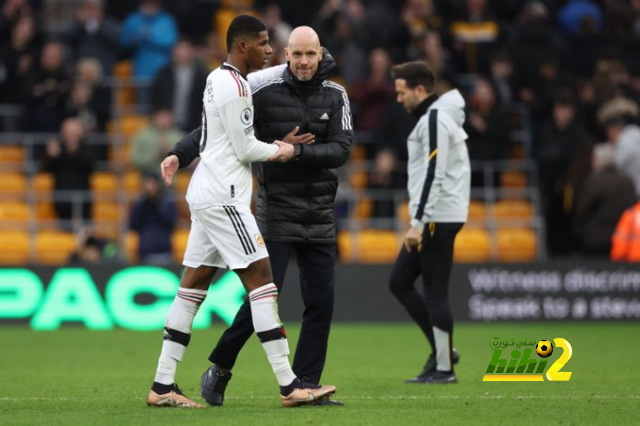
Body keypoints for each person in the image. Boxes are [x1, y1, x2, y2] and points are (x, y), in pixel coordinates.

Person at [146, 15, 336, 409]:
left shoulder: (217, 79)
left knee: (193, 286)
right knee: (264, 283)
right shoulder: (235, 86)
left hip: (206, 193)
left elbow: (218, 137)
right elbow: (247, 149)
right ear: (243, 45)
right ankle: (290, 386)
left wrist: (179, 155)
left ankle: (163, 385)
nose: (270, 50)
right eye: (265, 43)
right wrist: (284, 150)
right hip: (225, 197)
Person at [388, 61, 470, 384]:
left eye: (401, 92)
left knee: (435, 292)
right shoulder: (437, 116)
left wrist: (419, 221)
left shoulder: (436, 117)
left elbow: (434, 172)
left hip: (437, 217)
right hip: (439, 214)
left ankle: (445, 367)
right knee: (399, 281)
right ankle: (442, 352)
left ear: (419, 90)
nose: (398, 99)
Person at [129, 170, 176, 265]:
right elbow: (133, 225)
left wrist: (157, 202)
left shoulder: (166, 202)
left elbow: (172, 222)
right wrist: (143, 201)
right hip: (145, 252)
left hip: (164, 252)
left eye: (153, 184)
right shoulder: (141, 204)